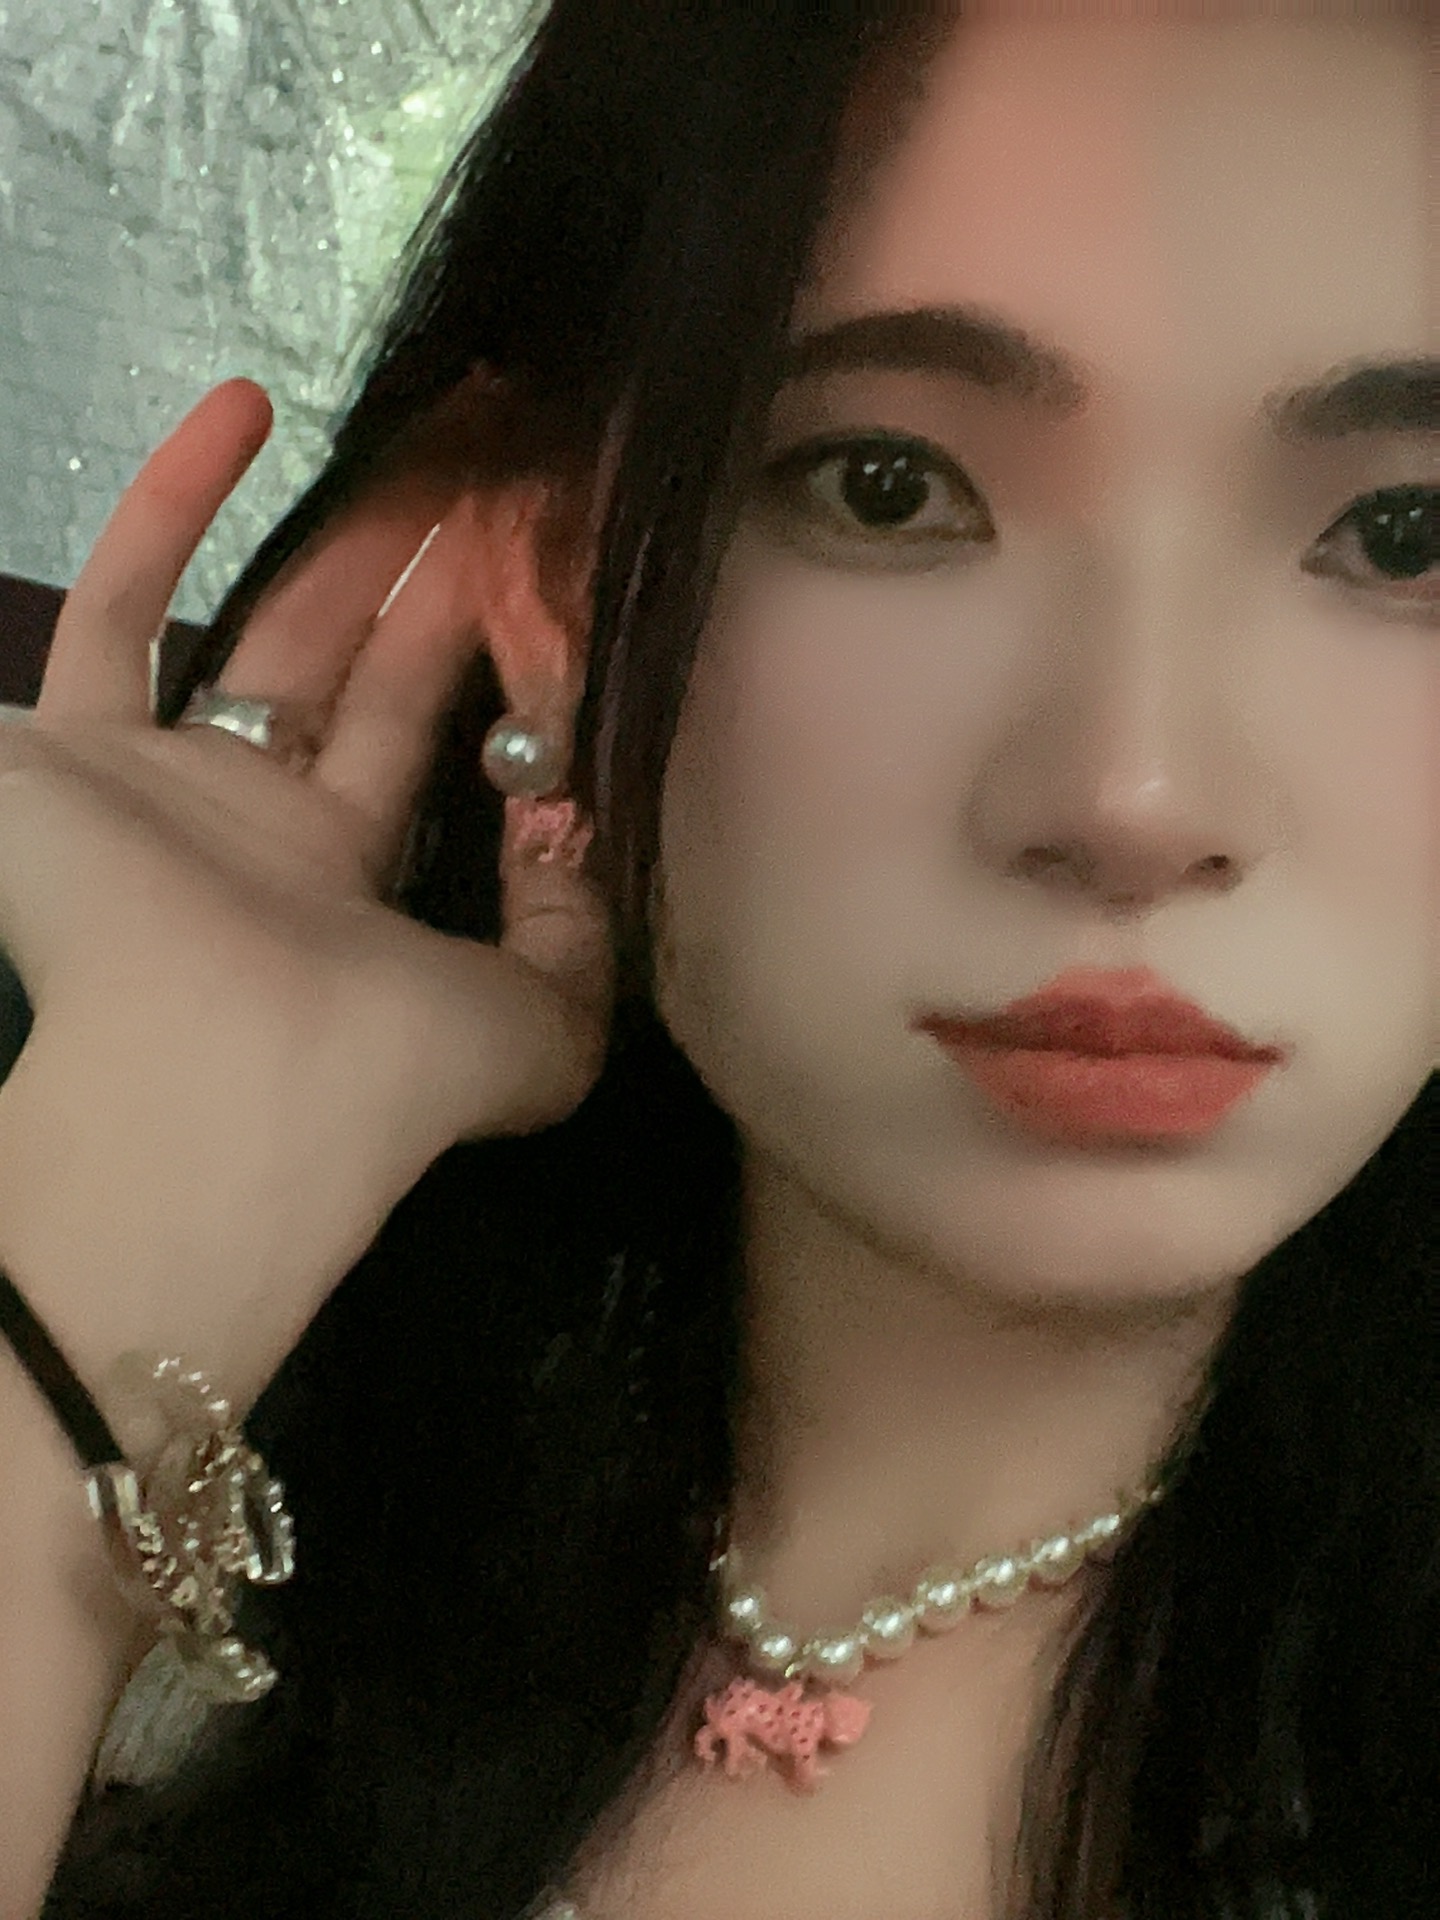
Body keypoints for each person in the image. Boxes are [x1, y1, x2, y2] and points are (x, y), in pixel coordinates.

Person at [0, 1, 1433, 1915]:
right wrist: (143, 1184)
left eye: (1406, 533)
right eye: (888, 485)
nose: (1134, 795)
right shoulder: (246, 1578)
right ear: (562, 584)